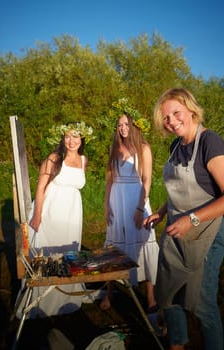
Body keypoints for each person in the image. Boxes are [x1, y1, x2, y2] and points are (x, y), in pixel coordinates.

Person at [144, 88, 224, 350]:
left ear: (191, 109)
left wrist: (193, 220)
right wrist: (162, 211)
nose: (171, 121)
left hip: (207, 232)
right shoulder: (175, 145)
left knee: (202, 304)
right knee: (170, 291)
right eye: (165, 117)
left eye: (176, 113)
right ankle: (177, 343)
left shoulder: (210, 142)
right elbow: (181, 190)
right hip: (177, 229)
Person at [17, 121, 95, 318]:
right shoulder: (54, 157)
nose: (71, 141)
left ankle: (66, 296)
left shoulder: (84, 160)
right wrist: (37, 215)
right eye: (67, 136)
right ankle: (42, 298)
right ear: (62, 138)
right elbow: (41, 187)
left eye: (75, 137)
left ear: (82, 139)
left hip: (72, 212)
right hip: (51, 210)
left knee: (67, 252)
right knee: (48, 252)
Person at [100, 98, 159, 313]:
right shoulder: (114, 148)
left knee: (144, 242)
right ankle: (109, 293)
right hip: (117, 199)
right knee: (115, 245)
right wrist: (106, 205)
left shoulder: (143, 147)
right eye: (120, 125)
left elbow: (147, 181)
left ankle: (151, 297)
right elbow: (109, 180)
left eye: (126, 124)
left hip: (136, 198)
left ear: (134, 125)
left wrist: (139, 208)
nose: (123, 128)